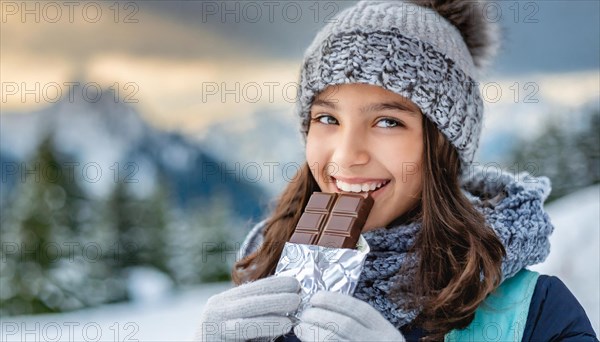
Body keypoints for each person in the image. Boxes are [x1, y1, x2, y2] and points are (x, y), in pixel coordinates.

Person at [196, 0, 598, 341]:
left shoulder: (537, 314)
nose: (347, 155)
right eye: (327, 118)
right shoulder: (263, 281)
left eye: (387, 121)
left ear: (443, 146)